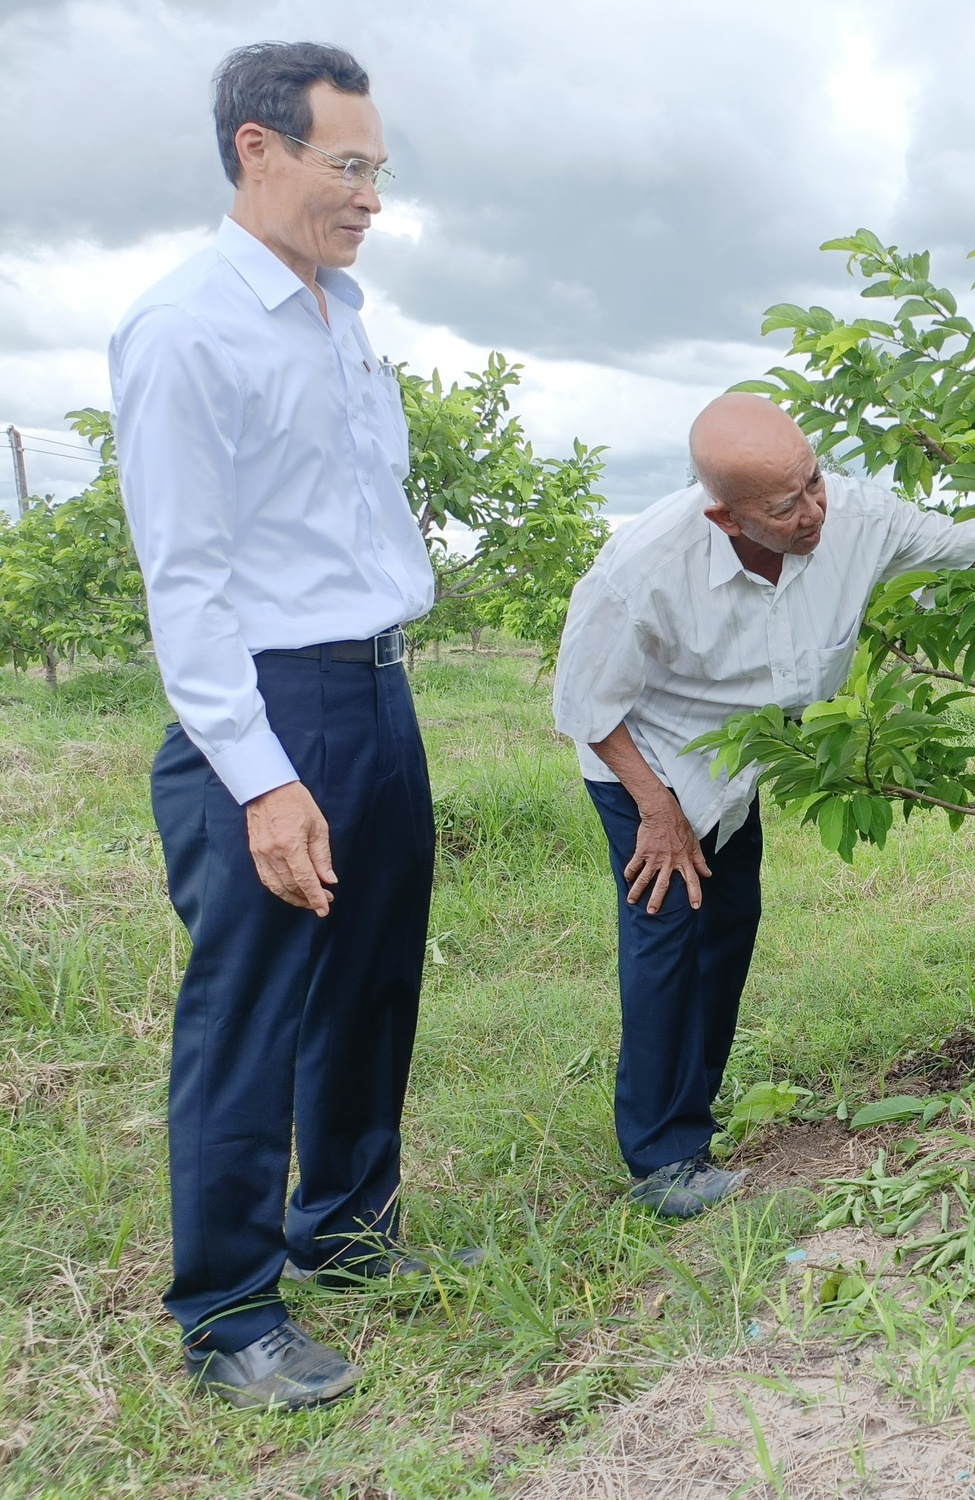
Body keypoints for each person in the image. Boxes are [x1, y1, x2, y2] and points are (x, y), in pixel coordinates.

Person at [553, 394, 975, 1221]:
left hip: (741, 758)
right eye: (784, 506)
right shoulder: (642, 568)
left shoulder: (857, 517)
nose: (812, 512)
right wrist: (658, 811)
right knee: (668, 935)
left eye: (813, 483)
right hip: (648, 762)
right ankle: (662, 1161)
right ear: (725, 516)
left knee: (729, 928)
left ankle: (690, 1123)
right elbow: (586, 705)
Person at [112, 43, 461, 1411]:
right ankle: (229, 1311)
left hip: (375, 685)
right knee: (250, 1010)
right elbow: (186, 583)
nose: (370, 193)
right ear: (258, 151)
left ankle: (352, 1232)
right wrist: (260, 780)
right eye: (348, 166)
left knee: (372, 979)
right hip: (267, 703)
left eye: (379, 169)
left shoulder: (337, 311)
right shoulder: (189, 323)